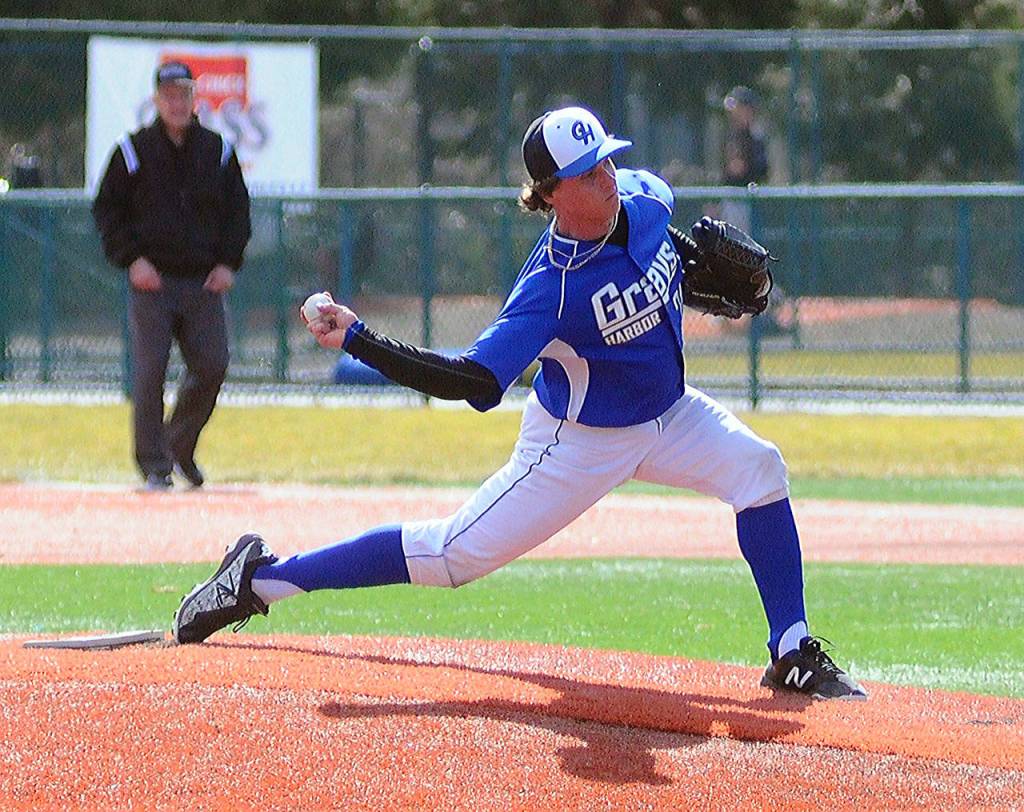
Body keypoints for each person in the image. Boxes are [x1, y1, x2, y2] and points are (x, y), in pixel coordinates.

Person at [173, 106, 866, 701]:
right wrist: (359, 338)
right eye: (590, 172)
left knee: (759, 470)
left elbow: (668, 258)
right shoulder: (549, 290)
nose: (608, 177)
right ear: (555, 192)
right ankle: (261, 580)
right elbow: (473, 381)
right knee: (450, 557)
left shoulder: (646, 197)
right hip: (578, 442)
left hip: (669, 414)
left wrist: (713, 283)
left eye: (607, 162)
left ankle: (791, 649)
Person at [93, 61, 251, 491]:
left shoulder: (216, 150)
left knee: (213, 363)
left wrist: (227, 262)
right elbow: (107, 210)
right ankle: (155, 466)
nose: (177, 103)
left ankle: (178, 445)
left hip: (203, 282)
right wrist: (131, 259)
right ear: (157, 100)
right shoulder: (133, 151)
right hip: (154, 282)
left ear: (194, 99)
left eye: (184, 94)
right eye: (169, 95)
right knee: (150, 372)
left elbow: (238, 212)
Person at [720, 85, 769, 233]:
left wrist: (745, 168)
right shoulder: (731, 135)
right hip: (730, 199)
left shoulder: (755, 137)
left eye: (739, 108)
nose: (734, 114)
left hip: (750, 202)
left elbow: (763, 171)